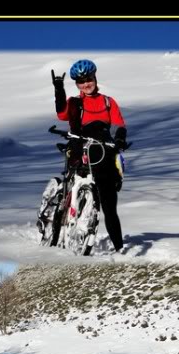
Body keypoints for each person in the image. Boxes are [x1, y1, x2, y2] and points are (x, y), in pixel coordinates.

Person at [52, 59, 129, 253]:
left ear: (95, 78)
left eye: (88, 79)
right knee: (68, 191)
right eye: (80, 81)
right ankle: (54, 235)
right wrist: (59, 90)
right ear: (77, 84)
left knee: (110, 206)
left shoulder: (107, 101)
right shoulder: (75, 103)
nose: (86, 84)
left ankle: (120, 248)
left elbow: (119, 124)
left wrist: (119, 139)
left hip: (103, 151)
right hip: (79, 149)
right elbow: (62, 114)